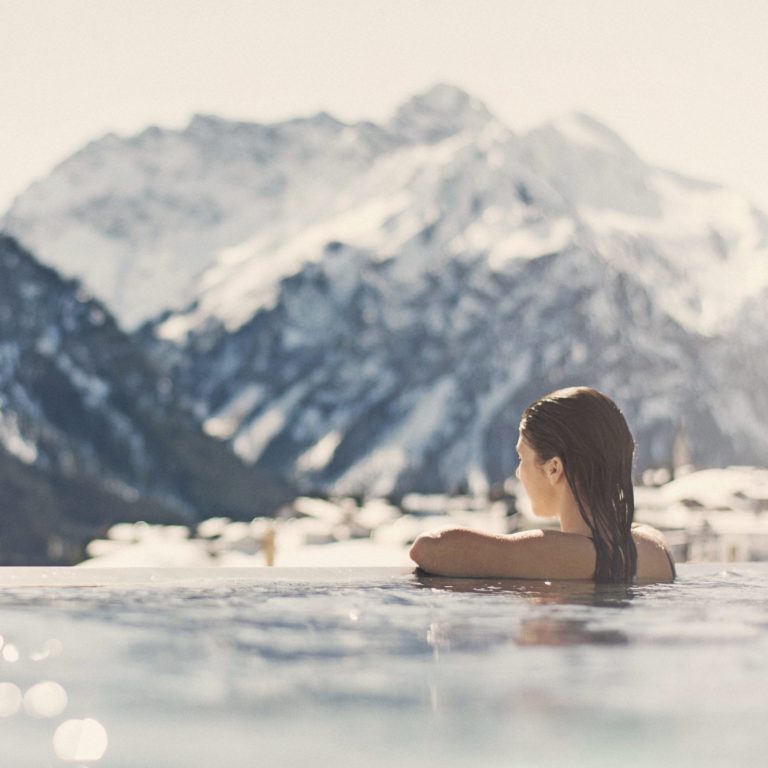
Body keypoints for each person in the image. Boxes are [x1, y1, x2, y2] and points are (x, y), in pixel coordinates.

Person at [409, 386, 676, 583]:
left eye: (522, 458)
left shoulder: (563, 554)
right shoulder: (653, 546)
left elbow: (430, 548)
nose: (518, 473)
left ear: (554, 469)